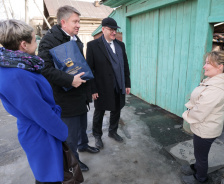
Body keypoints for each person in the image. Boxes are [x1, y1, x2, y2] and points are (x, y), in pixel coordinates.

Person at [0, 19, 68, 184]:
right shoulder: (18, 75)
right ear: (23, 44)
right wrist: (63, 132)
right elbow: (41, 113)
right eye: (34, 38)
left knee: (46, 174)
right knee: (49, 178)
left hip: (36, 131)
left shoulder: (15, 65)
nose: (37, 42)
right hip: (41, 133)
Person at [38, 5, 99, 172]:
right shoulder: (49, 41)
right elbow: (45, 69)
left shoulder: (75, 38)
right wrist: (70, 80)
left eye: (79, 21)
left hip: (80, 94)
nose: (78, 25)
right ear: (63, 22)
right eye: (75, 21)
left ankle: (84, 145)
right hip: (65, 97)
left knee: (82, 126)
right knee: (70, 135)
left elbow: (81, 65)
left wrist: (88, 89)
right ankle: (74, 163)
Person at [181, 51, 224, 183]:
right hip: (204, 125)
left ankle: (200, 178)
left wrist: (186, 113)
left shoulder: (216, 89)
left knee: (201, 156)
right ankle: (196, 168)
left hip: (206, 129)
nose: (204, 66)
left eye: (208, 63)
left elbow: (200, 112)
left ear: (219, 67)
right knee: (199, 153)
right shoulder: (214, 81)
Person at [86, 17, 131, 149]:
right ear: (103, 29)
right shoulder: (93, 46)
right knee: (99, 112)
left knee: (117, 109)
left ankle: (112, 131)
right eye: (111, 29)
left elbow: (126, 66)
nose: (114, 32)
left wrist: (127, 83)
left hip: (119, 83)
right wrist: (92, 89)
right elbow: (90, 69)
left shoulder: (120, 45)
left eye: (115, 30)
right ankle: (97, 136)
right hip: (101, 86)